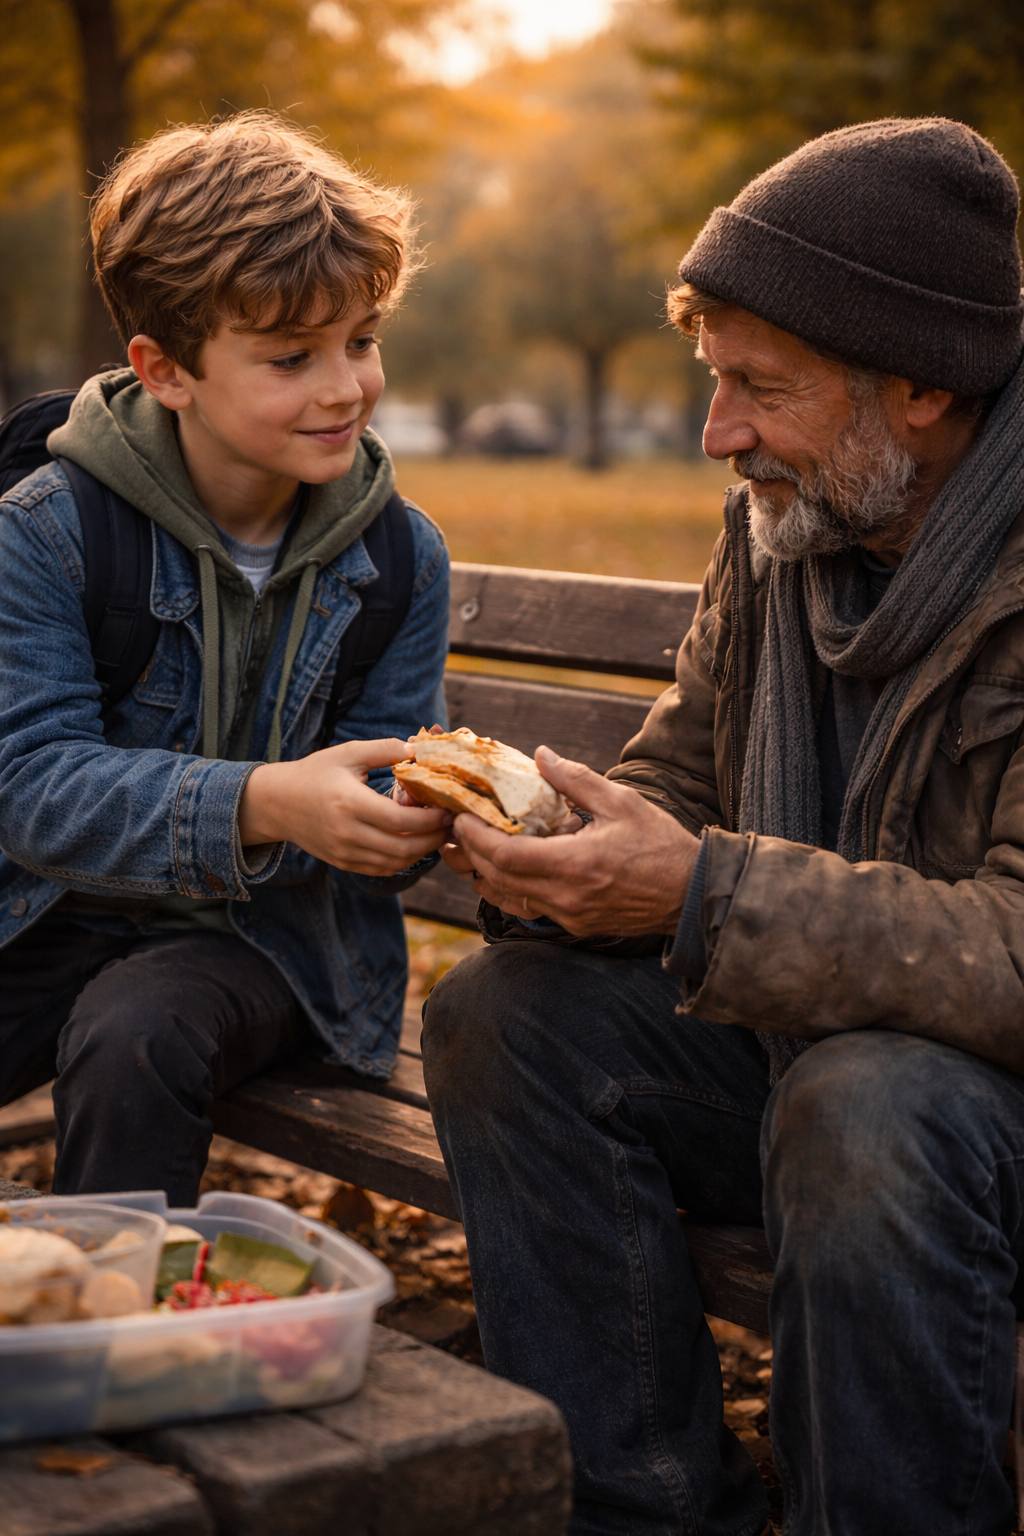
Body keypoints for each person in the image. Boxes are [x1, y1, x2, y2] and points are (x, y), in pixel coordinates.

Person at [422, 117, 1024, 1535]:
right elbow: (684, 776)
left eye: (761, 388)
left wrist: (701, 894)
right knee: (501, 1017)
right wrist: (558, 857)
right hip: (809, 1053)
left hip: (957, 1111)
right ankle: (650, 1511)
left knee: (862, 1104)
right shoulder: (789, 520)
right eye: (713, 382)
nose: (718, 436)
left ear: (924, 385)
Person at [0, 112, 451, 1204]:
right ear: (165, 370)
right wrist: (261, 801)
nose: (345, 388)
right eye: (291, 358)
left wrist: (408, 818)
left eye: (362, 339)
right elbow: (30, 788)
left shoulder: (399, 558)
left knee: (137, 1032)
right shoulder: (49, 529)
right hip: (47, 914)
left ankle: (120, 1342)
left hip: (269, 948)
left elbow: (390, 776)